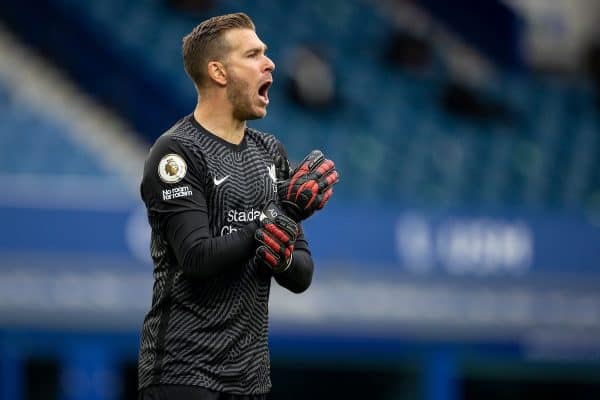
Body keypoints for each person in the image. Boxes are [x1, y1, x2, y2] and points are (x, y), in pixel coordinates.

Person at [137, 12, 339, 400]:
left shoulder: (270, 151)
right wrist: (270, 223)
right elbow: (196, 257)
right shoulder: (176, 152)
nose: (270, 62)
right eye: (253, 54)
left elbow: (301, 273)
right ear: (218, 71)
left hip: (250, 380)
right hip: (183, 374)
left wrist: (280, 253)